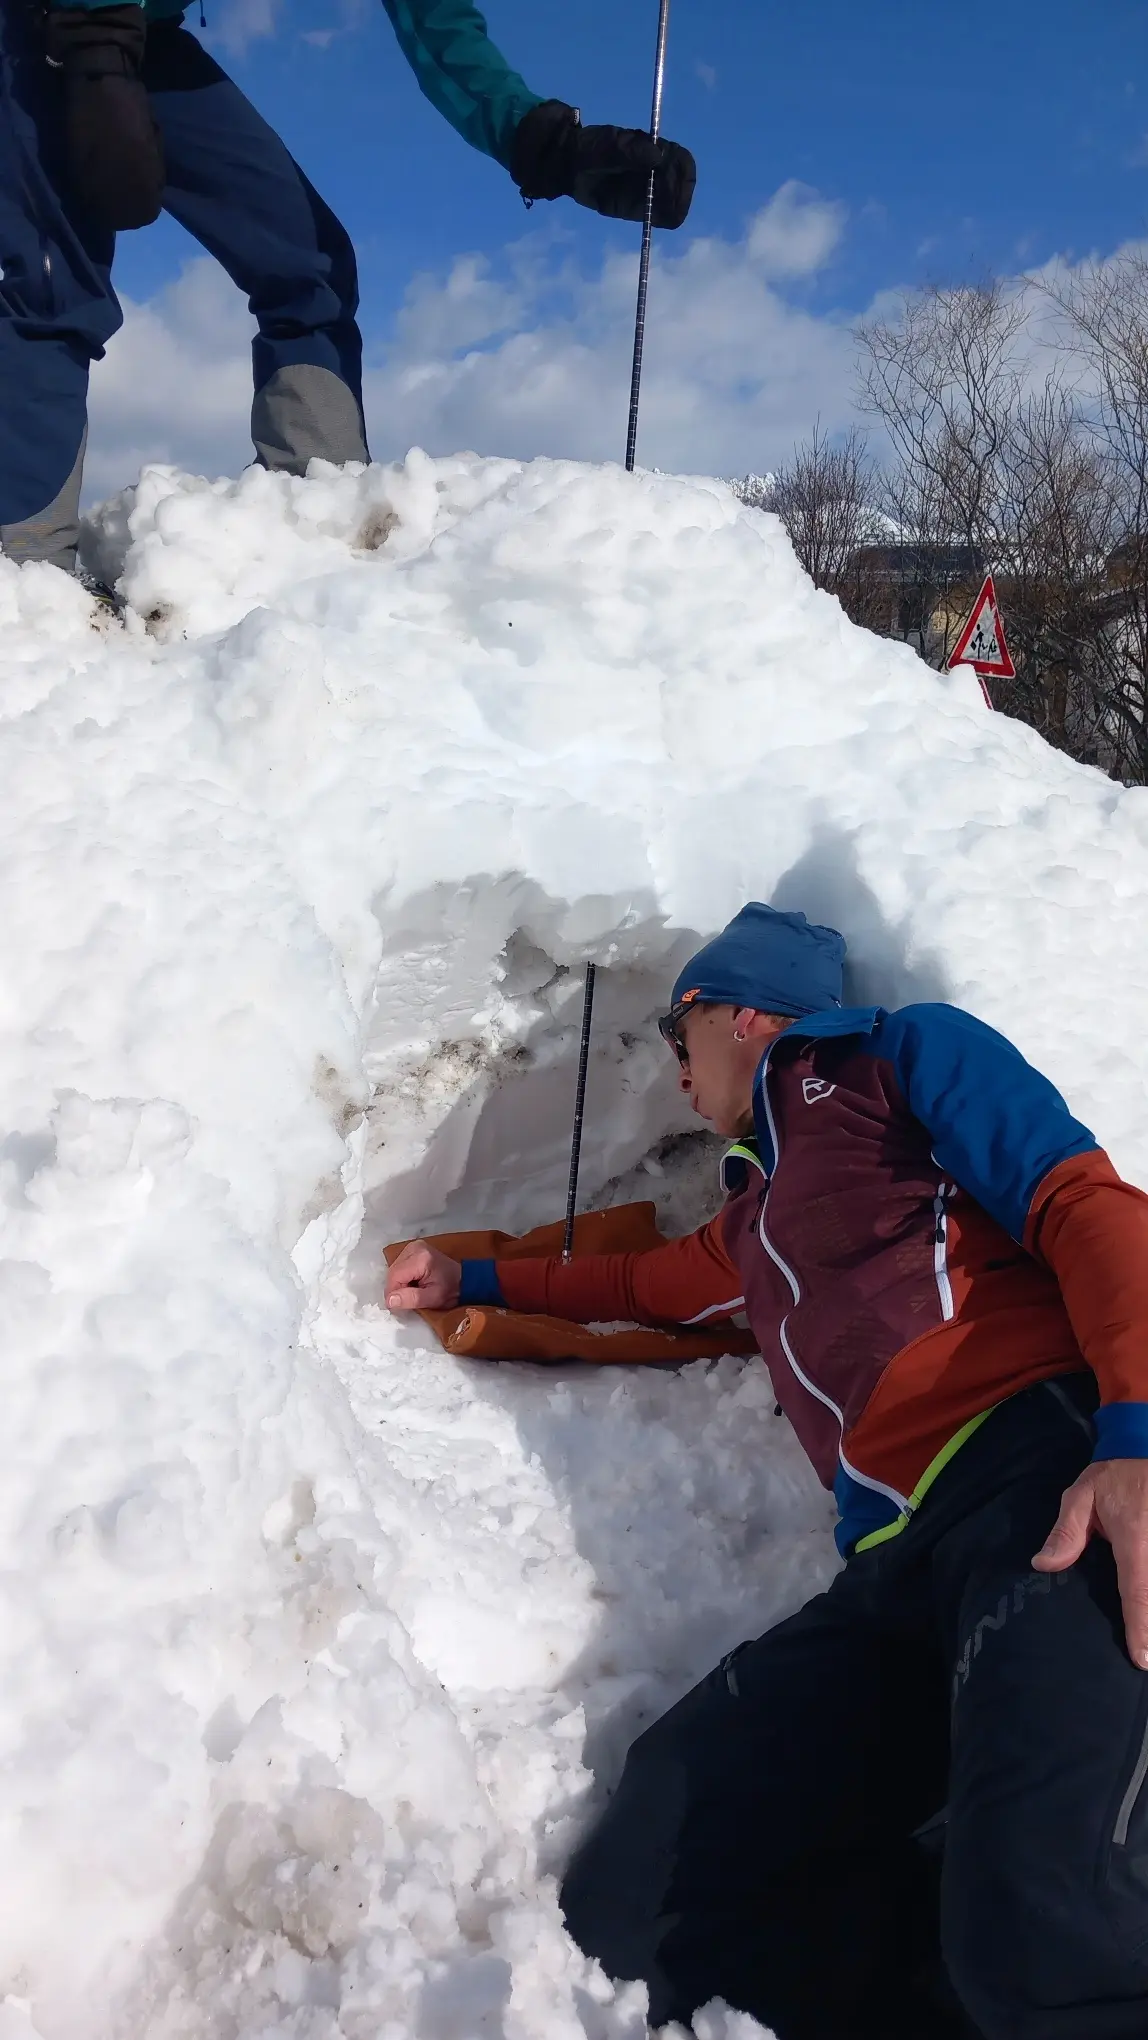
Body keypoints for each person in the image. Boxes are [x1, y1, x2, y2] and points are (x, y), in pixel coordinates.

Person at [386, 902, 1148, 2040]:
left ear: (741, 1014)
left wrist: (1134, 1434)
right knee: (638, 1907)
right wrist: (471, 1281)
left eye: (672, 1030)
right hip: (893, 1584)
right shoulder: (746, 1233)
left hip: (1032, 1489)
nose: (669, 1062)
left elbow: (1080, 1203)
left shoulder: (898, 1056)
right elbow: (635, 1289)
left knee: (1046, 1936)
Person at [0, 0, 695, 576]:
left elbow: (435, 17)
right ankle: (22, 578)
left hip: (144, 35)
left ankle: (315, 535)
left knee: (312, 268)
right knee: (53, 286)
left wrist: (538, 140)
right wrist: (92, 33)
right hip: (40, 18)